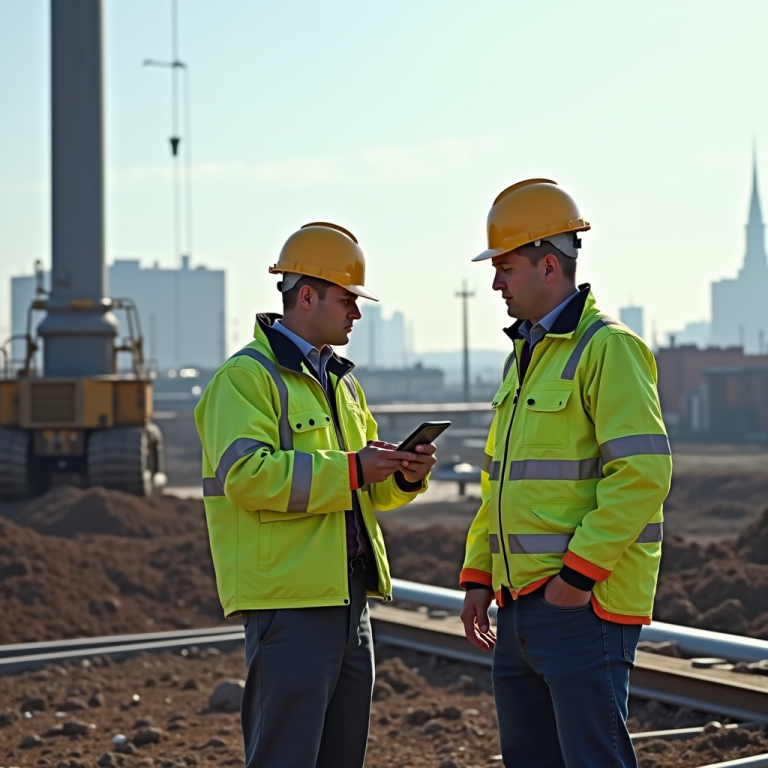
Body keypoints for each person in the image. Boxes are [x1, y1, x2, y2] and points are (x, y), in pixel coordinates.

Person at [194, 222, 437, 768]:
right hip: (290, 603)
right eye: (347, 299)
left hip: (349, 599)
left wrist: (403, 474)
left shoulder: (342, 383)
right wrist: (353, 468)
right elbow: (248, 477)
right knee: (286, 757)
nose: (356, 312)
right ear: (307, 295)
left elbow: (361, 492)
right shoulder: (245, 379)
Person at [459, 180, 672, 767]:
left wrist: (576, 580)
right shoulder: (524, 356)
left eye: (504, 267)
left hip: (583, 606)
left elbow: (643, 474)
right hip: (519, 603)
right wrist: (479, 576)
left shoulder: (609, 350)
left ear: (548, 264)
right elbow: (500, 483)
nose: (496, 283)